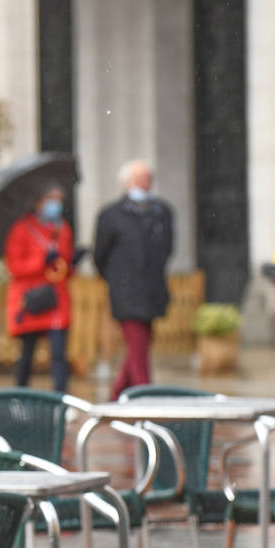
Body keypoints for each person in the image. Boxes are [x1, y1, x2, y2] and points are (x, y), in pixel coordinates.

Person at [93, 160, 175, 399]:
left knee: (140, 345)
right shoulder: (111, 215)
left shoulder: (162, 212)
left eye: (148, 179)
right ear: (127, 182)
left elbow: (168, 249)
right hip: (125, 291)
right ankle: (146, 397)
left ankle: (117, 395)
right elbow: (101, 256)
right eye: (140, 179)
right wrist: (119, 279)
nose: (145, 184)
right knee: (138, 345)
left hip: (152, 289)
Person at [4, 185, 77, 393]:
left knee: (59, 355)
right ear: (38, 202)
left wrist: (73, 265)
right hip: (32, 299)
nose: (56, 204)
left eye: (58, 199)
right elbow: (14, 266)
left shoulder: (63, 229)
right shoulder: (22, 229)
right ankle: (20, 396)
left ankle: (61, 400)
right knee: (27, 355)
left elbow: (63, 266)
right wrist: (40, 261)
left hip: (57, 300)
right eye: (50, 199)